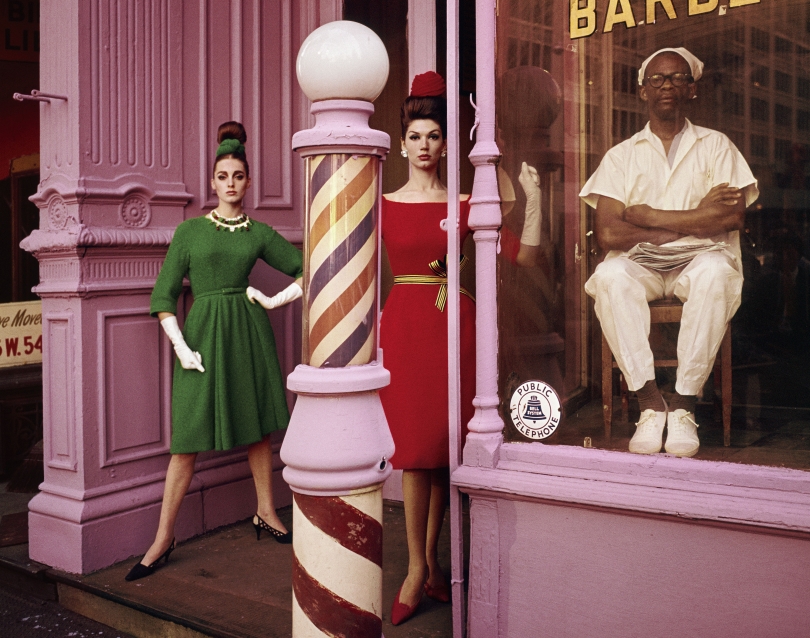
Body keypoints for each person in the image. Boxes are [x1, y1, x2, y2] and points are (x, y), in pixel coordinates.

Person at [125, 121, 304, 582]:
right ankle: (163, 538)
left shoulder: (258, 233)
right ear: (212, 181)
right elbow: (164, 295)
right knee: (186, 441)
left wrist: (273, 298)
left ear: (248, 181)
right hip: (200, 338)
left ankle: (265, 510)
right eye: (223, 176)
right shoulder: (189, 232)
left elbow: (312, 265)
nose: (230, 184)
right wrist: (182, 347)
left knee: (258, 429)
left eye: (238, 176)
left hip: (248, 333)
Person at [581, 48, 758, 458]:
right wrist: (698, 215)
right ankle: (648, 402)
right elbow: (608, 231)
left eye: (677, 78)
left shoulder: (717, 146)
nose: (667, 86)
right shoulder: (621, 156)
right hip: (641, 262)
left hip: (699, 259)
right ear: (643, 90)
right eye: (657, 79)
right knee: (609, 277)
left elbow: (731, 218)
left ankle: (683, 405)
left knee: (716, 272)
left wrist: (646, 216)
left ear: (692, 89)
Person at [380, 71, 476, 626]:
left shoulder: (464, 202)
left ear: (445, 144)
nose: (424, 145)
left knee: (444, 450)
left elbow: (514, 253)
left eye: (434, 135)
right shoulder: (385, 200)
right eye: (416, 135)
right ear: (402, 142)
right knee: (415, 451)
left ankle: (435, 567)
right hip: (407, 325)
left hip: (454, 321)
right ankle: (415, 568)